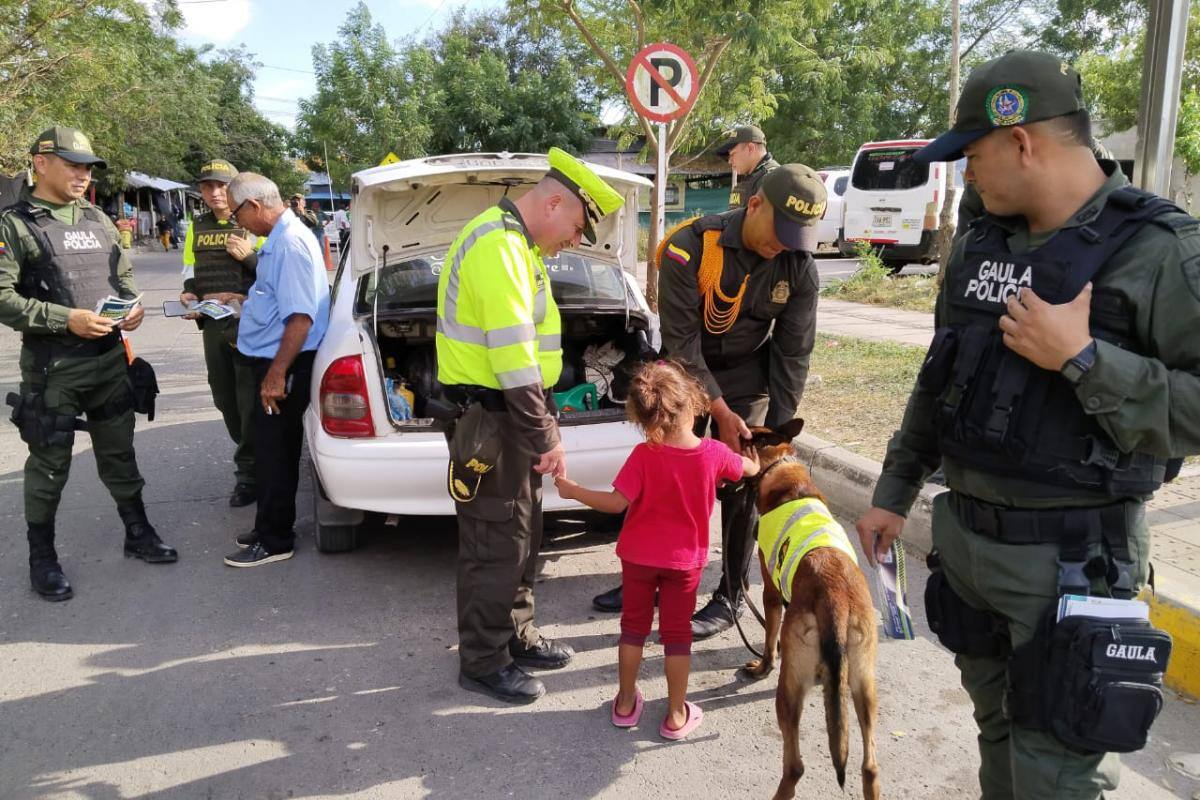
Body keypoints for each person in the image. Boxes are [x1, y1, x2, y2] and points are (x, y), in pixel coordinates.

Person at [855, 50, 1200, 799]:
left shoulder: (1159, 250)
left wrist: (1082, 358)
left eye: (973, 156)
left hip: (1074, 564)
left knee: (1058, 780)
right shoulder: (984, 240)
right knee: (999, 740)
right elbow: (940, 375)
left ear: (1022, 142)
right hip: (970, 547)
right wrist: (894, 487)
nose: (967, 175)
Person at [591, 165, 824, 642]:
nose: (783, 243)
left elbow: (793, 351)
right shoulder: (691, 247)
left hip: (748, 376)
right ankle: (654, 571)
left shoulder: (798, 265)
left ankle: (731, 592)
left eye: (795, 236)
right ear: (754, 203)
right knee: (666, 471)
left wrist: (774, 437)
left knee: (741, 488)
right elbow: (682, 342)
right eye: (779, 230)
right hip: (684, 373)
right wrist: (715, 409)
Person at [435, 147, 623, 703]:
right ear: (555, 201)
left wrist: (542, 424)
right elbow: (513, 358)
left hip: (510, 415)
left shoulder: (516, 243)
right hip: (494, 418)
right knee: (495, 542)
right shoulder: (499, 245)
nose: (575, 240)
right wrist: (547, 439)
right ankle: (484, 660)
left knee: (522, 534)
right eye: (577, 226)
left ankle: (516, 634)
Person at [0, 126, 177, 601]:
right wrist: (65, 319)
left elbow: (121, 278)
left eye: (87, 167)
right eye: (73, 165)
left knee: (119, 452)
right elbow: (2, 297)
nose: (83, 174)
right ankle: (43, 559)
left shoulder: (98, 219)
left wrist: (131, 309)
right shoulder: (14, 225)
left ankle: (137, 532)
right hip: (54, 368)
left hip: (108, 361)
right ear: (40, 163)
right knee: (49, 464)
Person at [555, 360, 758, 739]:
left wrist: (573, 491)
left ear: (644, 416)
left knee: (632, 630)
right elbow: (745, 469)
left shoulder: (644, 455)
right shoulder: (713, 454)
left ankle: (626, 702)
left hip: (637, 559)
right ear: (692, 402)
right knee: (676, 636)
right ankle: (677, 714)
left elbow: (616, 504)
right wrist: (753, 461)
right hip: (684, 565)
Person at [223, 172, 330, 568]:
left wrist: (275, 375)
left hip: (282, 363)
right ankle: (269, 524)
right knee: (271, 449)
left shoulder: (289, 244)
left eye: (238, 216)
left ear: (253, 205)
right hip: (273, 361)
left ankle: (274, 540)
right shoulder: (279, 241)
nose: (239, 225)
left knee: (275, 452)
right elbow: (280, 301)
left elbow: (300, 319)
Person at [179, 158, 264, 508]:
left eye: (221, 186)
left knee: (248, 400)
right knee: (224, 398)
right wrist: (188, 293)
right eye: (207, 186)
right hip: (213, 324)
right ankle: (251, 457)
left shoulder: (253, 223)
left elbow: (274, 277)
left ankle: (249, 474)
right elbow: (191, 269)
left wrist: (249, 258)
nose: (214, 192)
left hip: (248, 324)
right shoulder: (196, 226)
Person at [715, 125, 779, 209]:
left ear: (750, 148)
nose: (730, 161)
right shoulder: (752, 179)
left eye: (733, 154)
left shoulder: (773, 180)